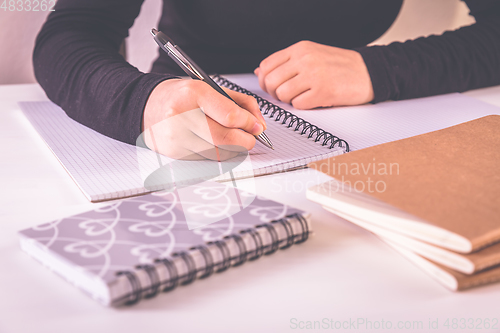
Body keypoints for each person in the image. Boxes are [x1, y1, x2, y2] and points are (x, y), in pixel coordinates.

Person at [33, 0, 500, 159]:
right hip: (188, 114)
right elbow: (70, 32)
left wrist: (379, 69)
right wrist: (141, 103)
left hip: (374, 126)